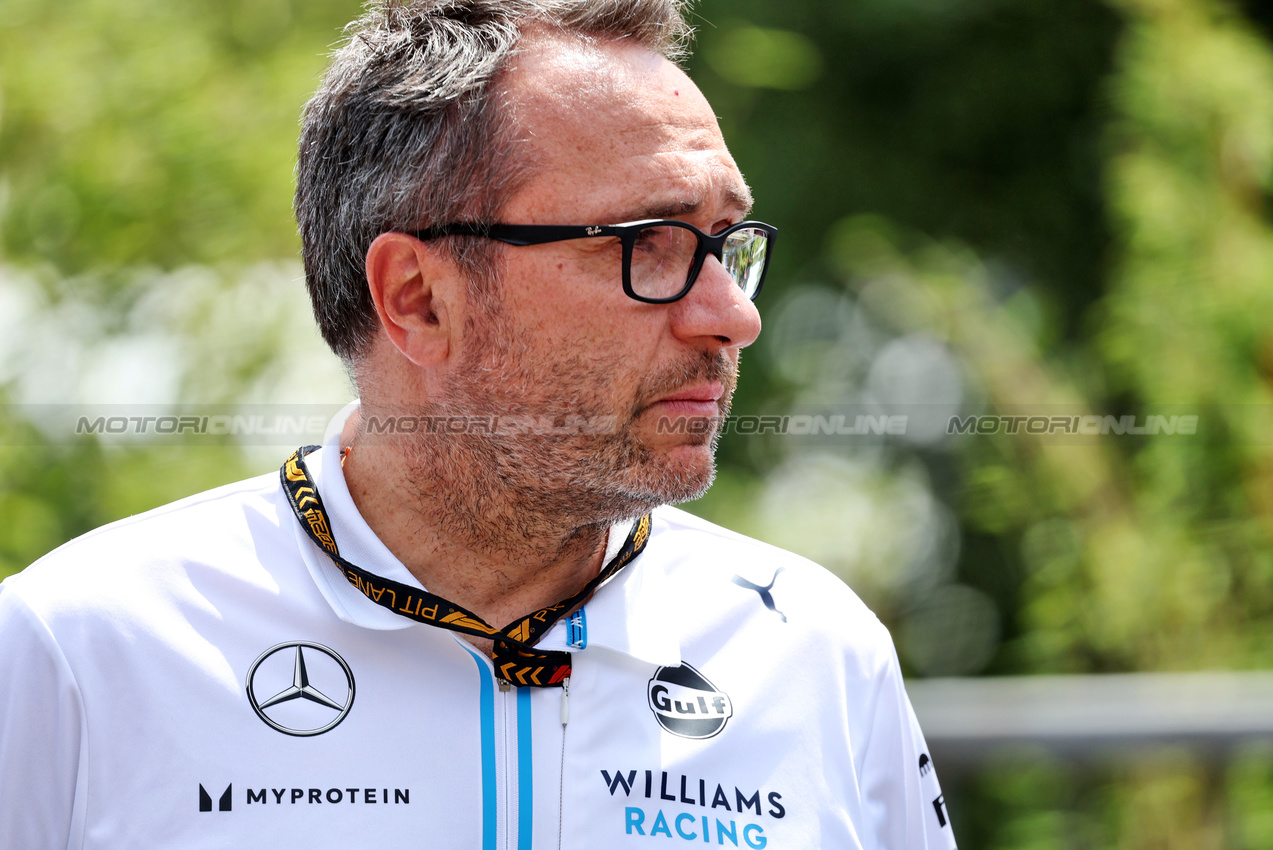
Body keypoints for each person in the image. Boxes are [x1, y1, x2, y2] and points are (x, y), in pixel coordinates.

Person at [0, 1, 957, 847]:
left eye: (725, 247)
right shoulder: (80, 648)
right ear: (416, 298)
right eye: (649, 247)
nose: (732, 315)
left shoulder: (816, 650)